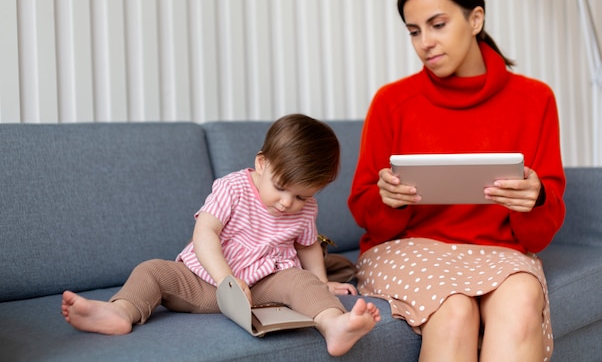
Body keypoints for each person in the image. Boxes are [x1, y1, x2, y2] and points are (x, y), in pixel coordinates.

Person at [348, 0, 565, 361]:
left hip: (501, 252)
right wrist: (388, 201)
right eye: (414, 31)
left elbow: (538, 236)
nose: (424, 42)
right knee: (453, 310)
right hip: (408, 249)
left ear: (476, 19)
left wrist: (535, 200)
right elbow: (365, 210)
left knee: (520, 304)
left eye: (438, 24)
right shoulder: (391, 103)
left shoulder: (535, 101)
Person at [62, 113, 381, 357]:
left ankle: (332, 325)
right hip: (201, 281)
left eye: (301, 196)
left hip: (262, 287)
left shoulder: (306, 209)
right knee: (151, 270)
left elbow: (309, 246)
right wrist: (226, 279)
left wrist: (321, 281)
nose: (288, 203)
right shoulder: (233, 188)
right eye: (281, 188)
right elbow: (205, 233)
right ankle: (121, 312)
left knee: (303, 281)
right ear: (261, 164)